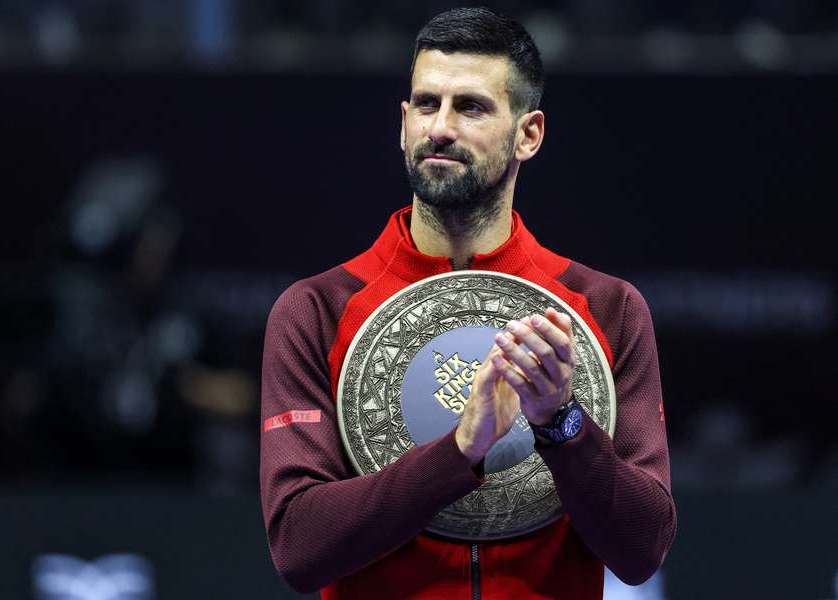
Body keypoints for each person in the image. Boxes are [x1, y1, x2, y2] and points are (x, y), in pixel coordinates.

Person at [260, 7, 676, 599]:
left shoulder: (606, 309)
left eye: (471, 107)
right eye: (427, 104)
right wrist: (461, 449)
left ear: (528, 134)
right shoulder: (316, 311)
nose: (440, 127)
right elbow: (298, 548)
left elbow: (643, 549)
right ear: (402, 124)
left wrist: (563, 424)